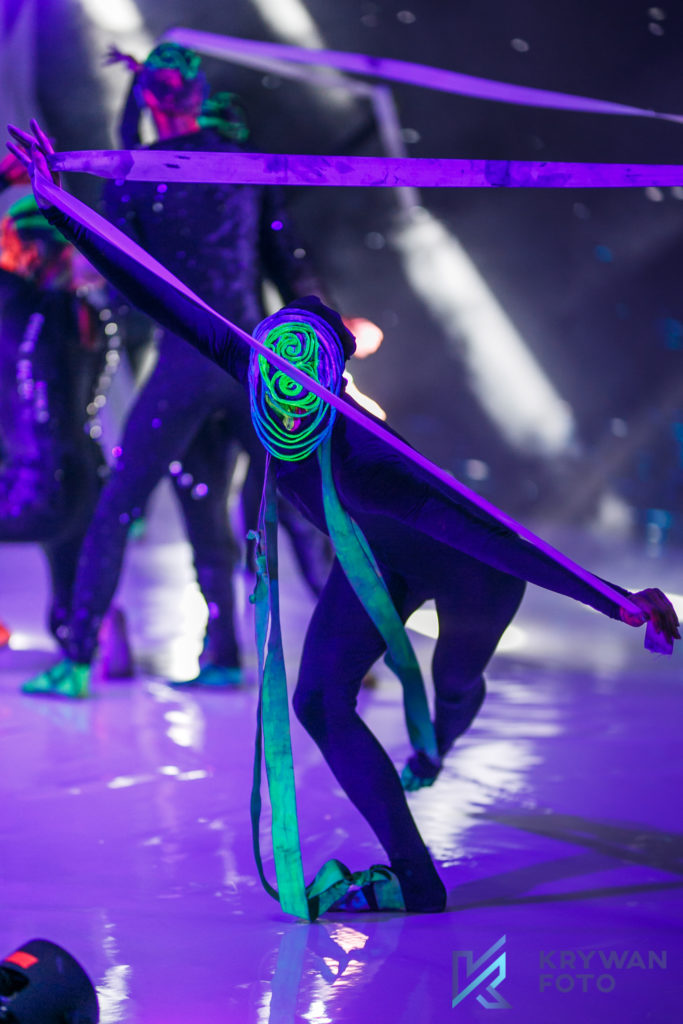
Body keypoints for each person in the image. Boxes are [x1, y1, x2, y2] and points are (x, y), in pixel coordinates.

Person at [12, 121, 679, 914]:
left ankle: (438, 743)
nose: (284, 395)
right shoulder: (253, 363)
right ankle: (417, 879)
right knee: (318, 702)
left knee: (453, 686)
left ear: (333, 381)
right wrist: (56, 203)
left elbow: (490, 537)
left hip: (471, 573)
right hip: (377, 560)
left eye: (304, 381)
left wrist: (612, 599)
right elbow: (150, 288)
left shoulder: (367, 460)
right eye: (274, 372)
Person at [21, 42, 338, 698]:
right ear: (196, 97)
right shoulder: (242, 165)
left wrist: (56, 197)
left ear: (150, 101)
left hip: (186, 367)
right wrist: (327, 339)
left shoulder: (135, 173)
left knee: (128, 505)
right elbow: (290, 266)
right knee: (295, 508)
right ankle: (337, 657)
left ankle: (79, 662)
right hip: (251, 364)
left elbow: (114, 269)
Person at [0, 166, 108, 657]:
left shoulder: (16, 302)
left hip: (33, 491)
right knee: (70, 574)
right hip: (87, 483)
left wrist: (5, 181)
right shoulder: (92, 316)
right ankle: (83, 634)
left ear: (24, 249)